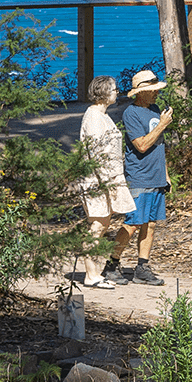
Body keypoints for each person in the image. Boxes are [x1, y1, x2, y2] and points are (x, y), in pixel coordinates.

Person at [109, 69, 172, 287]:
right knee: (133, 223)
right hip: (140, 176)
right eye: (151, 90)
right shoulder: (132, 114)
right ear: (139, 92)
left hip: (156, 177)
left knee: (150, 224)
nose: (156, 93)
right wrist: (163, 124)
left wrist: (165, 175)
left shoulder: (155, 110)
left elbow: (159, 145)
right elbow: (142, 145)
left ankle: (142, 267)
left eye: (156, 89)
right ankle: (111, 263)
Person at [74, 76, 133, 289]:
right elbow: (98, 153)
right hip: (97, 181)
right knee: (97, 226)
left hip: (107, 179)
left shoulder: (103, 115)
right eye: (114, 89)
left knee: (103, 224)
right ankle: (90, 274)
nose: (117, 92)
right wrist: (108, 182)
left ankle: (94, 272)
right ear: (104, 92)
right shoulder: (93, 117)